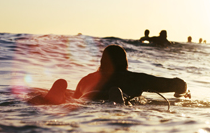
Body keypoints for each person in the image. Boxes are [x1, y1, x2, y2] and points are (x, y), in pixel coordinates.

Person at [31, 45, 189, 105]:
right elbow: (176, 84)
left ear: (101, 61)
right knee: (120, 99)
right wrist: (182, 91)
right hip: (118, 95)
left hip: (89, 97)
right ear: (125, 63)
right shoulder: (136, 79)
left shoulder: (86, 80)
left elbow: (77, 100)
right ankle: (117, 100)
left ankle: (57, 95)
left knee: (73, 100)